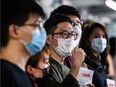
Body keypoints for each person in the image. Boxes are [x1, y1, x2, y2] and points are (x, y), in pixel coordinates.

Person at [1, 0, 46, 87]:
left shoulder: (19, 73)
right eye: (38, 24)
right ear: (15, 30)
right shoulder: (4, 75)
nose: (43, 32)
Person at [44, 14, 86, 87]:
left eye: (72, 34)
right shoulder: (44, 67)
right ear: (49, 39)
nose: (70, 38)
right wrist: (76, 66)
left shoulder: (67, 69)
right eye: (65, 33)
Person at [79, 21, 109, 87]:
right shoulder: (83, 61)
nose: (101, 39)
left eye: (103, 36)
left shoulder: (101, 62)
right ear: (87, 40)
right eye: (96, 36)